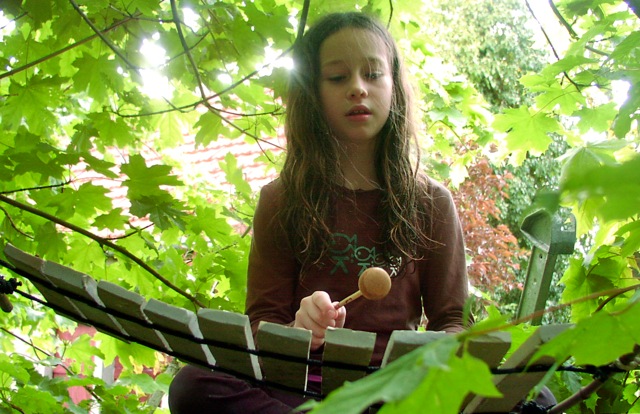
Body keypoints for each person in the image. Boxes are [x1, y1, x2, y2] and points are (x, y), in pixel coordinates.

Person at [169, 11, 471, 413]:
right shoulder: (281, 200)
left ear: (394, 87)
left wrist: (435, 358)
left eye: (373, 74)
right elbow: (262, 322)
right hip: (300, 389)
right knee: (193, 385)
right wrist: (298, 328)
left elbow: (453, 320)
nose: (357, 89)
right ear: (314, 91)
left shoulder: (432, 203)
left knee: (533, 399)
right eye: (337, 77)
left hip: (396, 394)